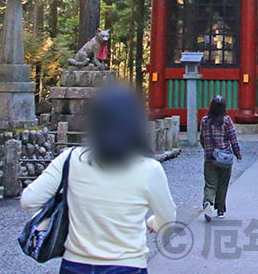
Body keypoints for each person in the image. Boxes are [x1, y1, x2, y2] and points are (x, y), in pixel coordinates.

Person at [21, 84, 176, 274]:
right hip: (127, 265)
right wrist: (152, 222)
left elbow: (29, 200)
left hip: (75, 264)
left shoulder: (70, 159)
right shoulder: (149, 169)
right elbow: (169, 218)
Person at [199, 95, 242, 221]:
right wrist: (238, 154)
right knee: (223, 184)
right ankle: (220, 209)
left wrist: (207, 149)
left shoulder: (204, 120)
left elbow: (202, 138)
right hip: (224, 158)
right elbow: (233, 139)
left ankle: (207, 202)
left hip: (209, 157)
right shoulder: (227, 120)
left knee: (210, 184)